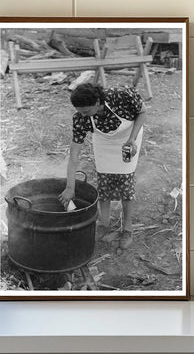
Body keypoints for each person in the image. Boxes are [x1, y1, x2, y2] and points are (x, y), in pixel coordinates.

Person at [59, 82, 146, 249]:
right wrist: (70, 186)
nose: (82, 115)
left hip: (129, 138)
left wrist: (132, 139)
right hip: (103, 143)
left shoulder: (122, 96)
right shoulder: (80, 118)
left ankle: (127, 228)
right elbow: (74, 156)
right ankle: (104, 224)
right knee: (104, 182)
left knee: (126, 185)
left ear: (98, 102)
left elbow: (143, 112)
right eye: (79, 111)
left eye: (86, 111)